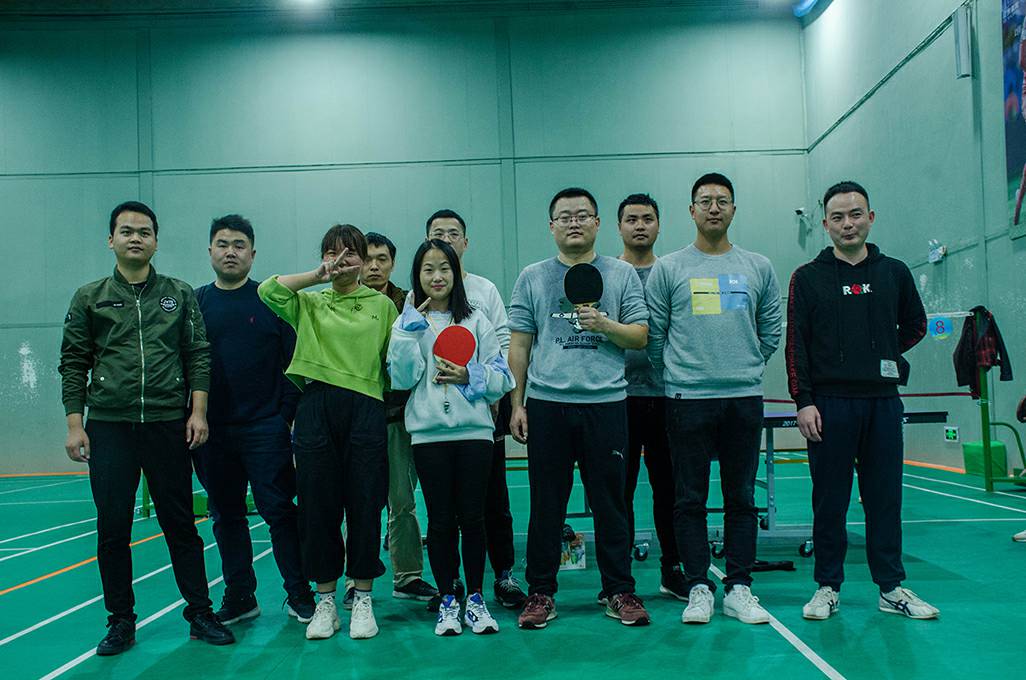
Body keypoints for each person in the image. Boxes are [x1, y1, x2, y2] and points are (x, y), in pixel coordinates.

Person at [60, 201, 234, 655]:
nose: (135, 238)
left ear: (156, 241)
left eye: (144, 232)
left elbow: (197, 354)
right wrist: (76, 426)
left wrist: (197, 413)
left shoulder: (178, 294)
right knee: (113, 529)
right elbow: (74, 362)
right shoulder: (89, 297)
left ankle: (200, 612)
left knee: (181, 524)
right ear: (111, 240)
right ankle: (120, 621)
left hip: (166, 425)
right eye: (126, 231)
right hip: (109, 428)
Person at [786, 180, 938, 620]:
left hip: (883, 403)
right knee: (829, 501)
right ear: (825, 225)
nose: (847, 224)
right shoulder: (807, 278)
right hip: (829, 406)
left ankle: (891, 587)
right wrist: (803, 400)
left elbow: (916, 324)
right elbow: (796, 345)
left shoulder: (894, 273)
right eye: (838, 217)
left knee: (884, 499)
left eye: (855, 214)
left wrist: (882, 354)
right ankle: (827, 587)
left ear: (870, 218)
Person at [508, 187, 651, 628]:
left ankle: (619, 589)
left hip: (606, 404)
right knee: (546, 504)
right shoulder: (533, 276)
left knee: (611, 504)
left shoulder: (621, 275)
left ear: (597, 223)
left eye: (583, 215)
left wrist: (605, 325)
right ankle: (541, 592)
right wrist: (517, 404)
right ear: (552, 226)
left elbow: (640, 336)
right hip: (548, 405)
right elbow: (519, 344)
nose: (574, 222)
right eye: (565, 216)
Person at [646, 172, 782, 626]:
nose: (714, 208)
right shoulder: (670, 268)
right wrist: (681, 373)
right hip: (687, 399)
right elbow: (656, 334)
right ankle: (698, 587)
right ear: (691, 211)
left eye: (722, 200)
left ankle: (739, 587)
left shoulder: (758, 266)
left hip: (743, 397)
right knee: (689, 498)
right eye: (705, 201)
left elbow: (771, 330)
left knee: (741, 496)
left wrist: (744, 366)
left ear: (733, 209)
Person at [258, 224, 398, 640]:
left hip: (367, 406)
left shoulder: (382, 306)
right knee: (318, 506)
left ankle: (363, 597)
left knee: (365, 504)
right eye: (332, 253)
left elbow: (396, 362)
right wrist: (317, 275)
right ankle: (325, 602)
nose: (342, 260)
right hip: (316, 405)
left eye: (350, 253)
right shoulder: (309, 302)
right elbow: (267, 290)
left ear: (364, 260)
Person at [387, 239, 515, 635]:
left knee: (473, 519)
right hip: (428, 437)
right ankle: (447, 600)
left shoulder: (477, 320)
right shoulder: (407, 323)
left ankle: (475, 599)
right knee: (440, 522)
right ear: (418, 276)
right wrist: (407, 333)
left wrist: (468, 375)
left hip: (475, 435)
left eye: (444, 267)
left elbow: (502, 379)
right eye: (428, 269)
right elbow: (401, 378)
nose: (437, 276)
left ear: (456, 273)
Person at [192, 214, 314, 626]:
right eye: (223, 244)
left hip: (265, 429)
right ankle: (240, 596)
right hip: (212, 433)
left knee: (279, 511)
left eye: (239, 245)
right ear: (210, 251)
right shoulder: (196, 304)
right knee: (226, 516)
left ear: (253, 253)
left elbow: (294, 365)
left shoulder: (270, 301)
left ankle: (299, 593)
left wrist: (282, 418)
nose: (231, 252)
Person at [424, 209, 527, 610]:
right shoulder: (417, 300)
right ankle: (450, 584)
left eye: (454, 233)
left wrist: (498, 395)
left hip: (485, 412)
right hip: (437, 423)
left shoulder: (484, 290)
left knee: (493, 500)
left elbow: (503, 342)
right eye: (438, 233)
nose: (447, 239)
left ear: (465, 243)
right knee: (444, 510)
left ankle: (503, 575)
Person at [347, 232, 438, 604]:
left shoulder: (411, 303)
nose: (373, 266)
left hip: (400, 417)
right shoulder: (345, 302)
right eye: (367, 259)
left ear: (392, 263)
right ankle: (354, 580)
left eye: (381, 259)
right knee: (359, 503)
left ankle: (408, 577)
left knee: (401, 501)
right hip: (357, 417)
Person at [615, 193, 686, 601]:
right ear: (618, 227)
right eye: (631, 219)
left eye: (647, 218)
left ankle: (672, 569)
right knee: (618, 492)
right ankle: (619, 578)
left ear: (659, 225)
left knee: (670, 489)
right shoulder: (606, 275)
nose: (639, 225)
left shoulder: (672, 272)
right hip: (618, 400)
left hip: (666, 397)